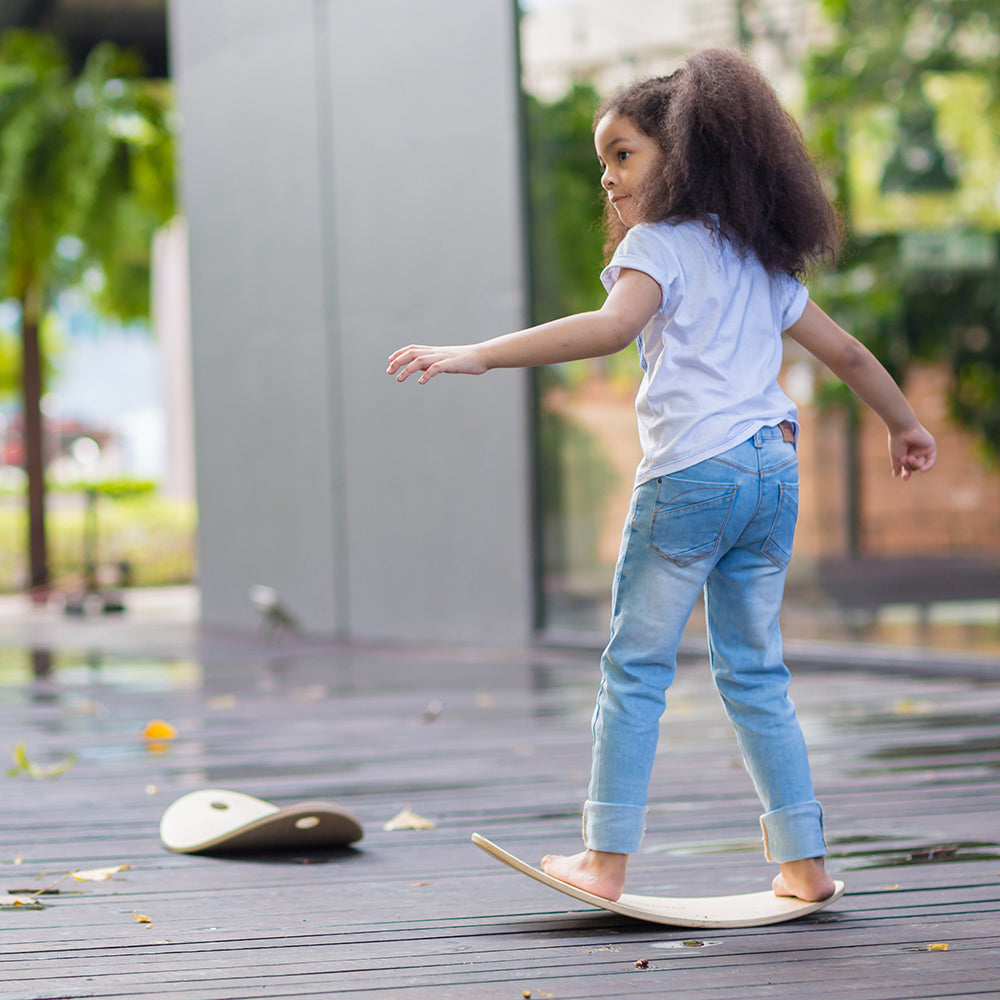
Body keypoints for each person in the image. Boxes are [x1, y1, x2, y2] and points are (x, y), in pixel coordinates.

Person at [387, 47, 936, 903]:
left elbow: (610, 330)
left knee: (635, 668)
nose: (607, 177)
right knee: (756, 672)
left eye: (623, 154)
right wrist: (904, 425)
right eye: (602, 160)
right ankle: (805, 864)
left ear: (682, 156)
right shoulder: (760, 259)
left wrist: (479, 355)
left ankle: (603, 860)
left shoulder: (660, 247)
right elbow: (850, 354)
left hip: (691, 478)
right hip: (771, 475)